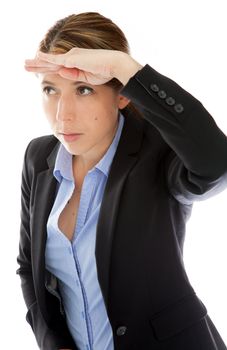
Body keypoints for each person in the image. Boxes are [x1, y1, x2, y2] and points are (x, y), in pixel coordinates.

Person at [16, 11, 227, 350]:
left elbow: (216, 163)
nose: (62, 114)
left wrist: (127, 70)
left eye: (84, 89)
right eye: (50, 89)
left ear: (122, 94)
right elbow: (29, 267)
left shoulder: (157, 151)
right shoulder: (38, 158)